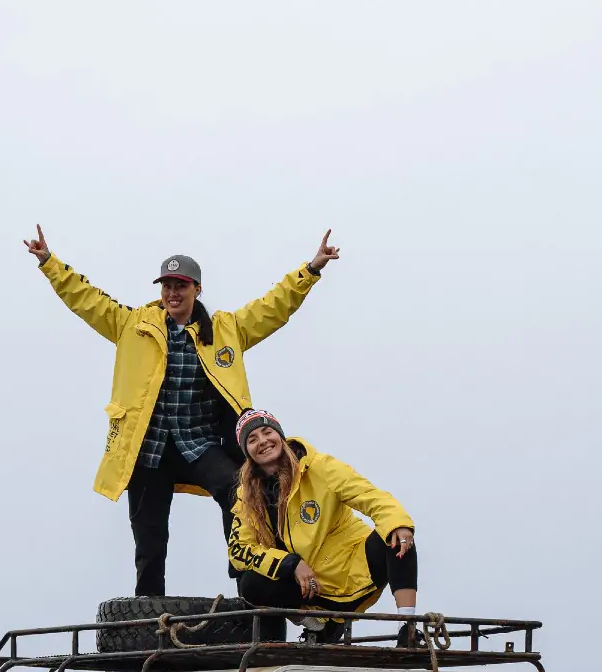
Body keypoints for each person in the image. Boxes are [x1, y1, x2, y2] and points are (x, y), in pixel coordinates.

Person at [23, 226, 339, 596]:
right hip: (148, 448)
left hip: (199, 444)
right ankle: (146, 608)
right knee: (149, 535)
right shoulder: (131, 324)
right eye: (167, 286)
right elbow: (87, 300)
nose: (173, 294)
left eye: (181, 286)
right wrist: (49, 262)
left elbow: (274, 306)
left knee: (239, 489)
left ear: (197, 290)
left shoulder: (226, 329)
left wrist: (310, 270)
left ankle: (245, 579)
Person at [227, 410, 419, 642]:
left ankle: (408, 629)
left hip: (354, 570)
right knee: (251, 583)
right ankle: (317, 625)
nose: (263, 441)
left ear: (280, 436)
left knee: (396, 534)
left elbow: (372, 497)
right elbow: (238, 550)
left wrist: (399, 524)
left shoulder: (320, 467)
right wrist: (290, 563)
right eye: (252, 439)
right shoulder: (245, 496)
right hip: (310, 590)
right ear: (246, 451)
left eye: (267, 432)